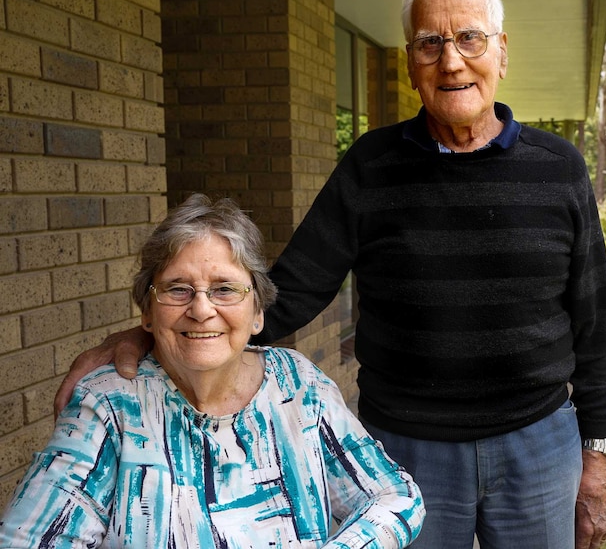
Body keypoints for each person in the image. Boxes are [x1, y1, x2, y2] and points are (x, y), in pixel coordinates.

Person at [55, 0, 606, 548]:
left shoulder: (559, 167)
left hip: (539, 443)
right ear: (409, 63)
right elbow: (293, 289)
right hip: (406, 448)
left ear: (501, 50)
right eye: (430, 43)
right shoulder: (370, 167)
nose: (451, 62)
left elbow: (593, 319)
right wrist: (164, 331)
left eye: (469, 39)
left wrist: (597, 455)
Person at [5, 194, 424, 548]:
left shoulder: (298, 386)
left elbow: (395, 496)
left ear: (257, 311)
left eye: (224, 288)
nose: (202, 309)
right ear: (146, 313)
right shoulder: (109, 405)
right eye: (177, 289)